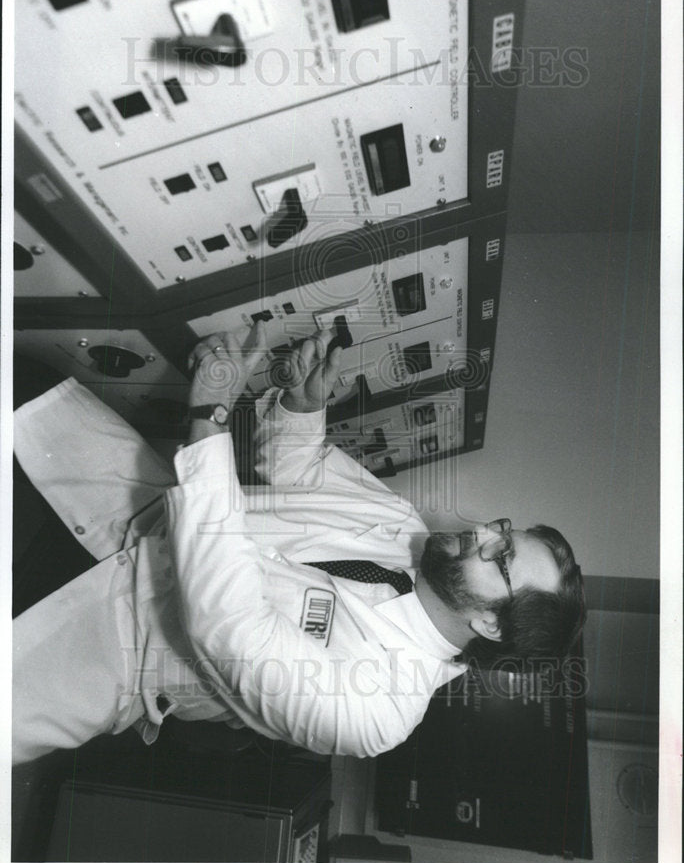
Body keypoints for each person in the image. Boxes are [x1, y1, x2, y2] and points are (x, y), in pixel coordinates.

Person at [12, 324, 585, 765]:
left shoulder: (380, 711)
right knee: (22, 382)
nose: (484, 533)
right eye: (504, 531)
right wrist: (302, 408)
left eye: (501, 557)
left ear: (491, 625)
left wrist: (210, 416)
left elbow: (229, 625)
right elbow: (302, 471)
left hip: (106, 642)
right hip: (135, 510)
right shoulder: (404, 523)